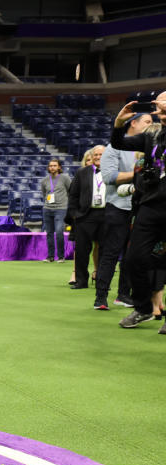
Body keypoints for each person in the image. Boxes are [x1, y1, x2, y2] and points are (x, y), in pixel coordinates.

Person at [111, 93, 166, 328]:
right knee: (134, 260)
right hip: (150, 206)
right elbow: (119, 143)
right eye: (158, 104)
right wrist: (119, 124)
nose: (157, 107)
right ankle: (142, 308)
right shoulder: (152, 135)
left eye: (163, 103)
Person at [95, 113, 153, 310]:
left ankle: (124, 294)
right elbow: (109, 176)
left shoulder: (150, 148)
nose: (151, 125)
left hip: (140, 208)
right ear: (133, 123)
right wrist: (139, 174)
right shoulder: (114, 148)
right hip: (118, 207)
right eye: (147, 121)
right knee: (110, 253)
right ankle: (101, 297)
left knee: (133, 255)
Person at [67, 145, 106, 289]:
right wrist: (74, 214)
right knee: (82, 249)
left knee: (104, 249)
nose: (97, 157)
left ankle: (102, 280)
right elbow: (73, 194)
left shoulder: (114, 171)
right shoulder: (82, 172)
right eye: (95, 154)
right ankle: (81, 280)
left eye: (101, 154)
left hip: (106, 214)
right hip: (85, 215)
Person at [40, 158, 71, 263]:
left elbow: (70, 191)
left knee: (59, 232)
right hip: (47, 209)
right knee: (49, 233)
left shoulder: (65, 178)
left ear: (59, 167)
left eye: (54, 165)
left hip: (61, 209)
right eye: (50, 166)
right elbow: (44, 194)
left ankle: (61, 256)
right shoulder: (44, 180)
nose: (52, 167)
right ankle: (50, 256)